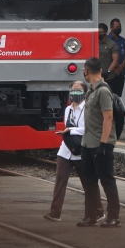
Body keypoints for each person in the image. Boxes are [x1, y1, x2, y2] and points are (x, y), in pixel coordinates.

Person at [43, 81, 105, 222]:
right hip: (65, 150)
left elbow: (88, 128)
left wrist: (71, 130)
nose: (75, 93)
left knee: (88, 183)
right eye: (73, 90)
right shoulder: (68, 109)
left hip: (82, 149)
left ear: (84, 93)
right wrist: (68, 131)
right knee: (60, 180)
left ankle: (99, 211)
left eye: (78, 91)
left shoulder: (89, 108)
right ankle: (55, 212)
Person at [78, 58, 121, 228]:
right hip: (88, 142)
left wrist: (103, 144)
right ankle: (90, 216)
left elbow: (108, 117)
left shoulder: (103, 91)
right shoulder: (91, 90)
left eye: (84, 71)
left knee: (107, 180)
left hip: (100, 143)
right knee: (89, 181)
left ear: (87, 71)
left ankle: (113, 216)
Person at [107, 18, 125, 97]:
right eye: (117, 27)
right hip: (109, 73)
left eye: (120, 27)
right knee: (108, 95)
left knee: (118, 96)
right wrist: (114, 67)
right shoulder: (106, 40)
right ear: (111, 28)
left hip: (120, 72)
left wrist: (120, 67)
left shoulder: (124, 41)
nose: (119, 28)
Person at [98, 23, 120, 94]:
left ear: (106, 33)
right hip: (95, 76)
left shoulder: (112, 44)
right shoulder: (93, 42)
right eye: (98, 32)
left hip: (108, 77)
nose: (99, 34)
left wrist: (108, 71)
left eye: (101, 32)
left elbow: (115, 60)